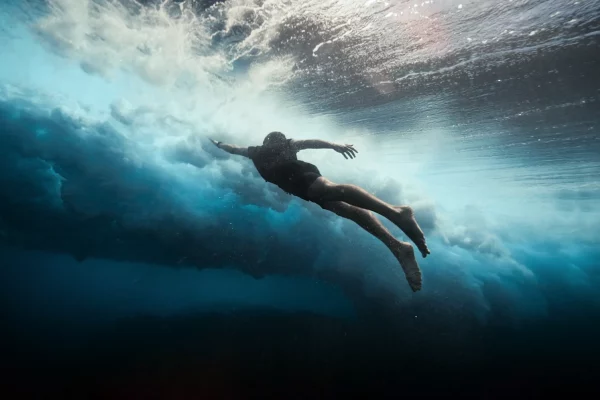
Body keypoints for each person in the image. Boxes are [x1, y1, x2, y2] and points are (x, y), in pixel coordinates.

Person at [210, 131, 430, 291]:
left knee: (332, 191)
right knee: (349, 211)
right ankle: (398, 247)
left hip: (303, 178)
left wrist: (334, 145)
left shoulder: (263, 150)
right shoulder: (259, 151)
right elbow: (234, 148)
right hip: (301, 188)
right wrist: (219, 144)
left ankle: (396, 213)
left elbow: (308, 142)